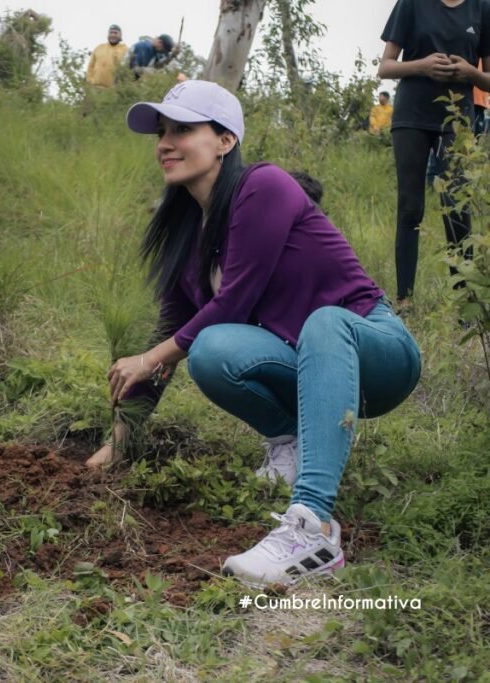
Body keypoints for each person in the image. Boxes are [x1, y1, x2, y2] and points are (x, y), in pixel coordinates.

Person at [90, 80, 422, 588]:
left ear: (225, 140)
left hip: (376, 353)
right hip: (305, 369)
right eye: (161, 133)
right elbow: (173, 334)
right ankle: (292, 444)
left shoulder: (264, 186)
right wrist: (119, 442)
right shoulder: (186, 233)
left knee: (324, 320)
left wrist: (148, 357)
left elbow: (234, 301)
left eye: (183, 130)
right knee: (209, 349)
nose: (165, 144)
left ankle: (313, 529)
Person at [377, 0, 490, 307]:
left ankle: (465, 302)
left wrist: (471, 72)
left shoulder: (482, 8)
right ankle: (405, 300)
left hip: (457, 119)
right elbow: (385, 67)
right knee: (410, 207)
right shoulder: (411, 4)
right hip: (411, 116)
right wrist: (422, 65)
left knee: (457, 206)